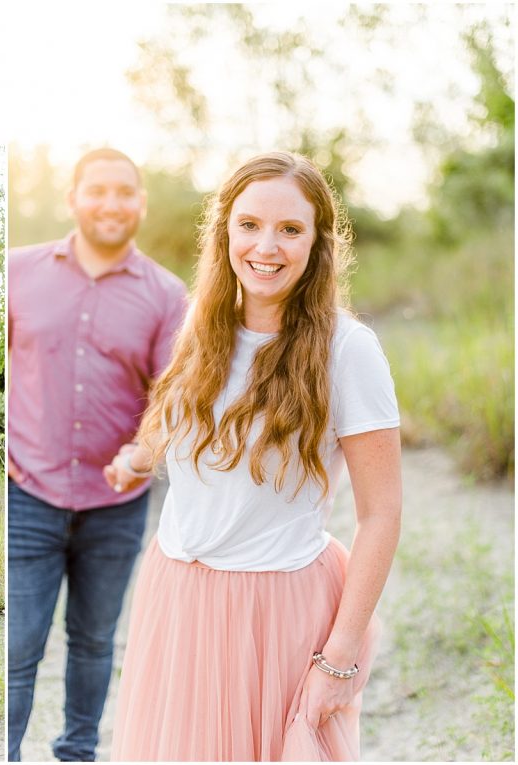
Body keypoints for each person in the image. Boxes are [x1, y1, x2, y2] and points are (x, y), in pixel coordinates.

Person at [105, 151, 402, 761]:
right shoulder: (201, 325)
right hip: (174, 596)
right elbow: (177, 416)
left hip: (274, 612)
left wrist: (337, 660)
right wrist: (137, 457)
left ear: (318, 242)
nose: (267, 246)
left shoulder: (349, 350)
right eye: (250, 224)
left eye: (290, 229)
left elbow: (382, 514)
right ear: (225, 231)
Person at [7, 147, 188, 761]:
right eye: (98, 190)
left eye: (125, 192)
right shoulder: (15, 272)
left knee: (93, 641)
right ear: (73, 199)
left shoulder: (167, 296)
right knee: (17, 646)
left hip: (117, 504)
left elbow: (170, 400)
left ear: (141, 203)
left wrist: (140, 452)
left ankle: (78, 752)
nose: (111, 203)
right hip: (25, 494)